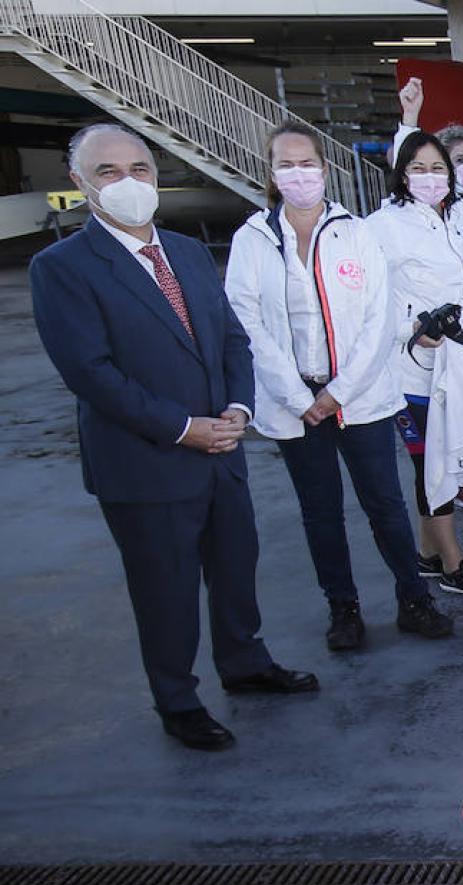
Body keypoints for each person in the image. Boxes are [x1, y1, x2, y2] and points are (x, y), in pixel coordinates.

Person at [32, 123, 317, 750]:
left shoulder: (187, 252)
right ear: (79, 184)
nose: (128, 182)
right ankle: (178, 699)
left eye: (139, 168)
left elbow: (231, 340)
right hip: (147, 463)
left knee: (235, 568)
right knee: (165, 590)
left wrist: (239, 409)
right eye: (108, 172)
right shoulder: (62, 268)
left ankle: (245, 663)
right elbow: (90, 372)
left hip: (223, 447)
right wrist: (184, 428)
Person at [224, 121, 454, 651]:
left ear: (325, 170)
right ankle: (343, 607)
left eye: (308, 163)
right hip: (294, 404)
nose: (298, 173)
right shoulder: (253, 239)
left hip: (361, 397)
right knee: (320, 510)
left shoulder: (357, 233)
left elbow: (378, 320)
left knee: (385, 505)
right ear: (272, 172)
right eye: (286, 163)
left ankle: (413, 598)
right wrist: (299, 396)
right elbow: (246, 323)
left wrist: (338, 392)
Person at [364, 130, 463, 598]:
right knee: (434, 465)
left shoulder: (458, 218)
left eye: (438, 168)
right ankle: (453, 564)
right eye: (418, 169)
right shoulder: (383, 225)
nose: (430, 178)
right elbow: (372, 300)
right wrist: (412, 329)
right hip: (413, 368)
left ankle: (428, 553)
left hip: (459, 365)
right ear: (402, 174)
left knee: (441, 462)